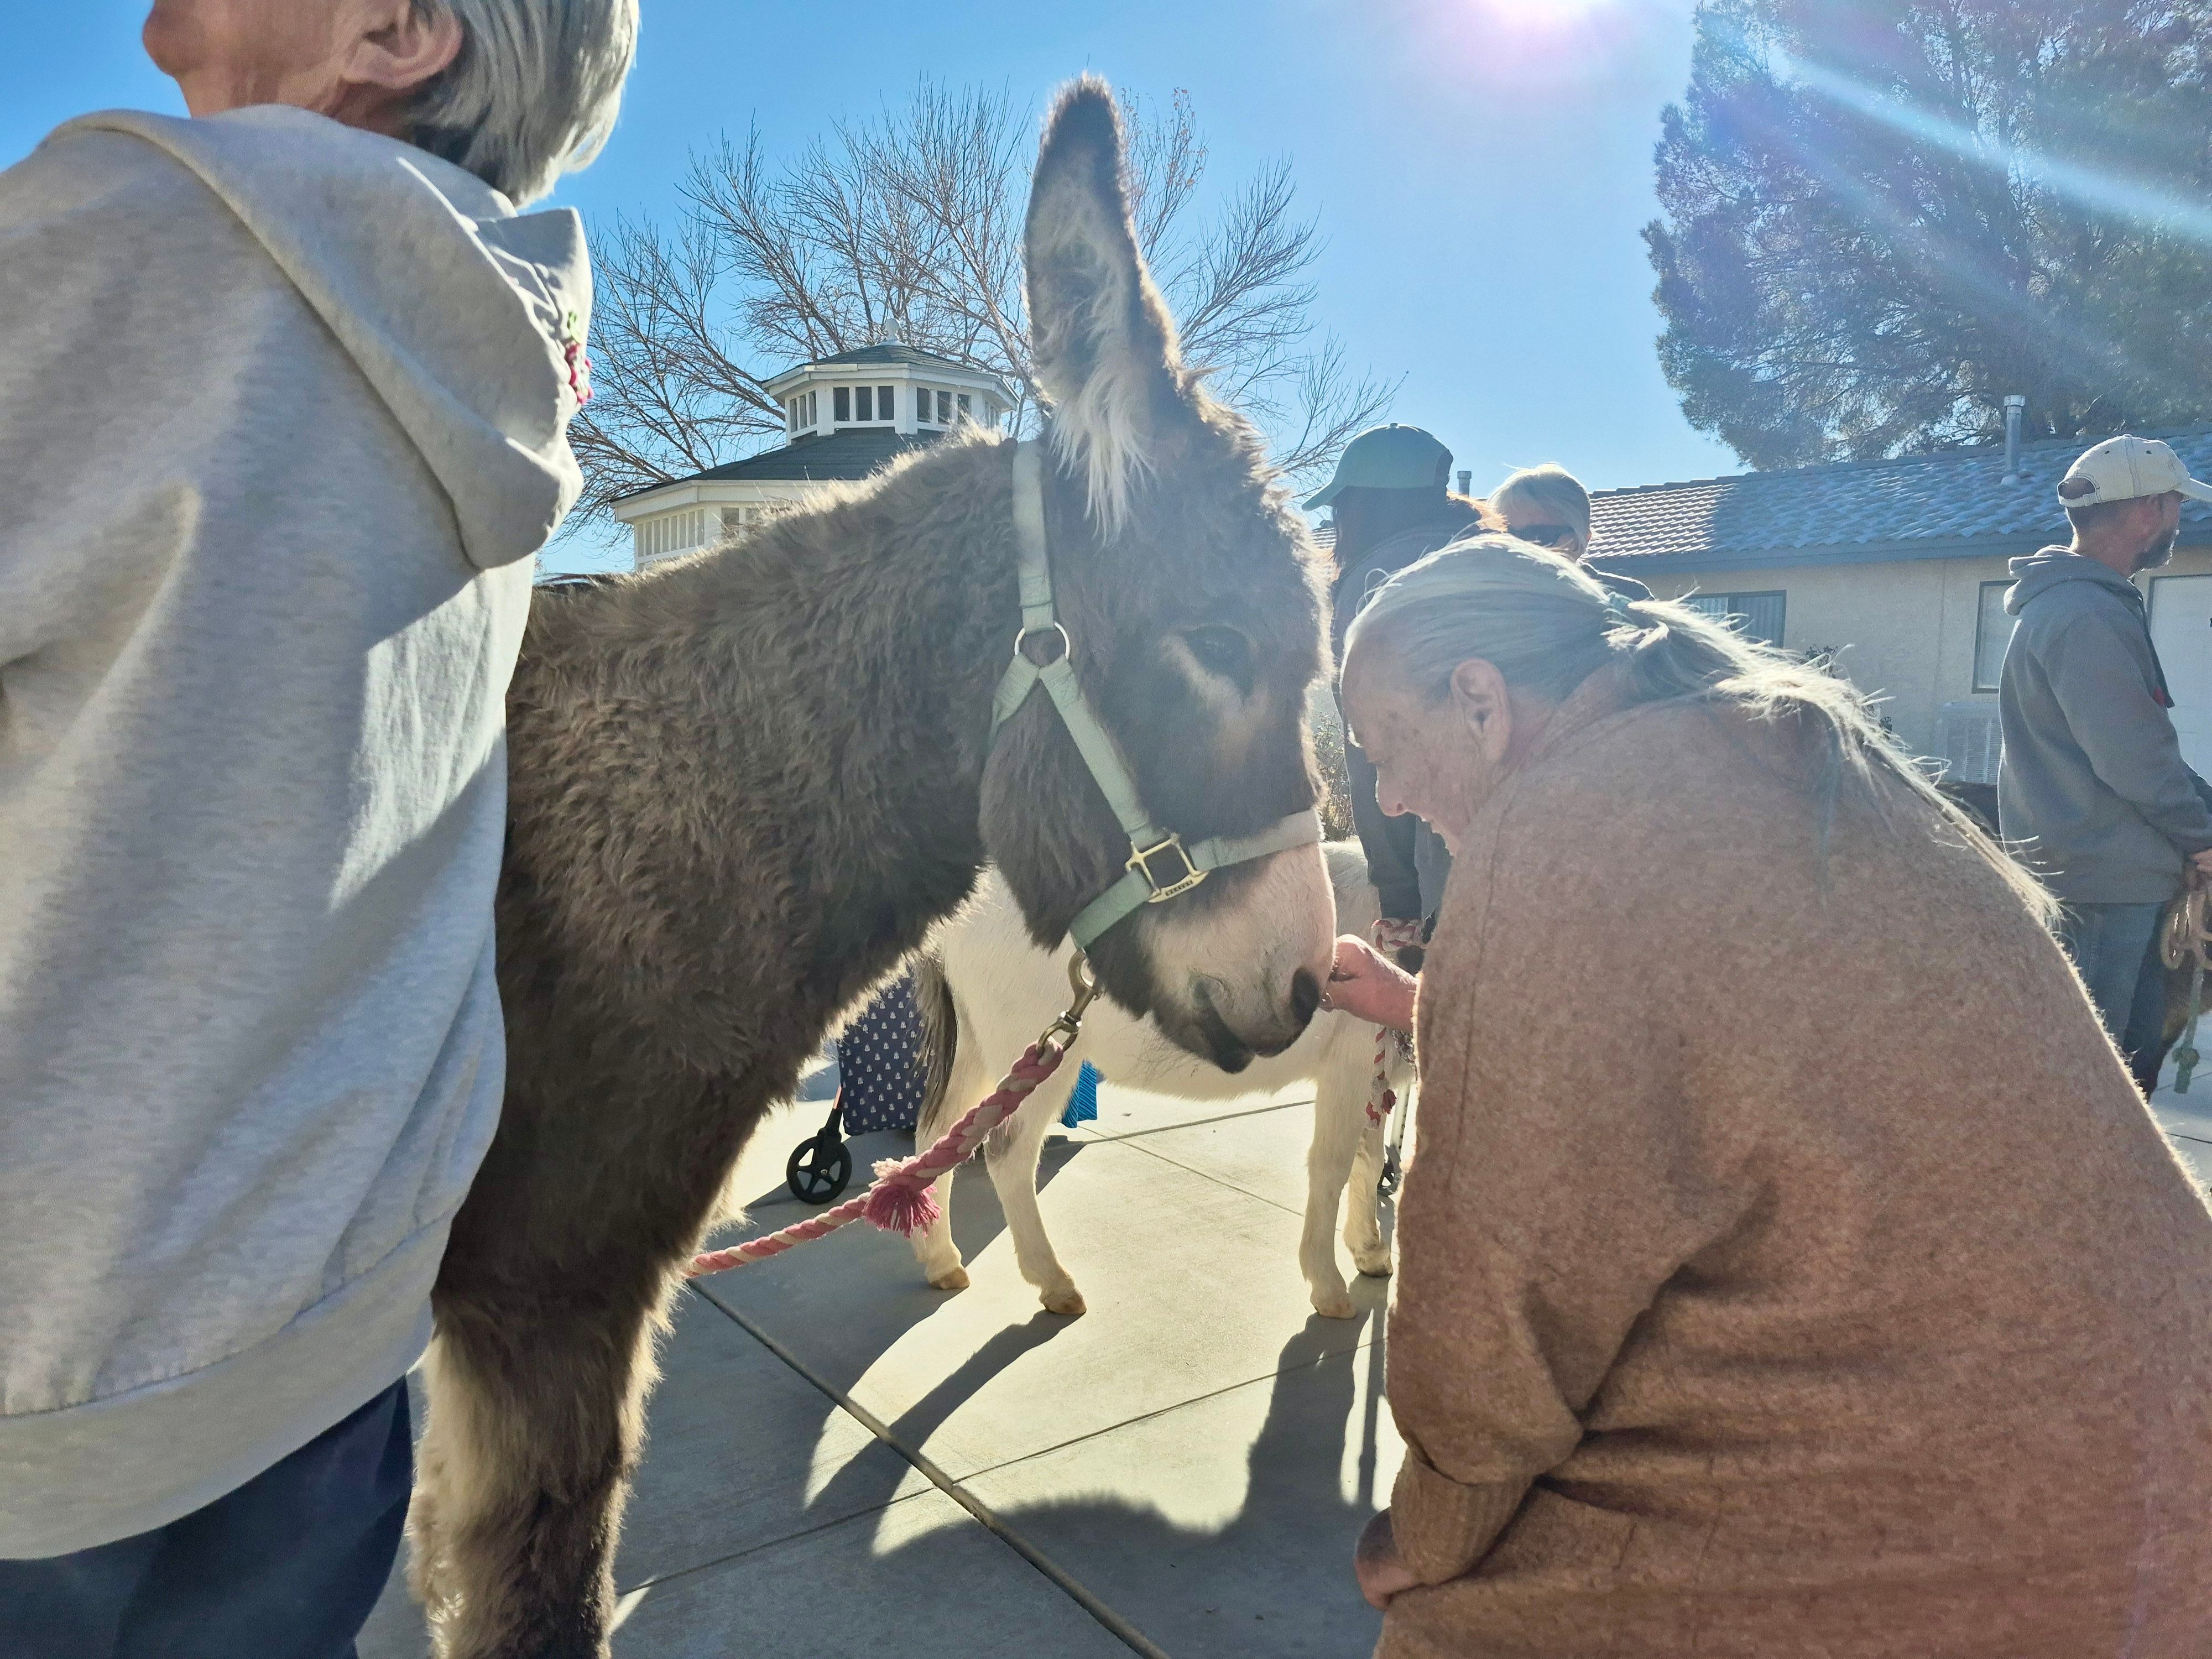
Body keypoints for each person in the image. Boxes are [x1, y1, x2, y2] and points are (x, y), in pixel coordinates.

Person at [0, 3, 637, 1653]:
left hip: (47, 1361)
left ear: (397, 32)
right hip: (326, 1352)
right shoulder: (502, 381)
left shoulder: (131, 237)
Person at [1324, 535, 2212, 1656]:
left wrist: (1430, 1532)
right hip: (2150, 1467)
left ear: (1478, 700)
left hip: (1987, 1539)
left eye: (1384, 750)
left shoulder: (1553, 832)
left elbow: (1495, 1326)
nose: (1390, 798)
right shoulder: (1811, 761)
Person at [1998, 435, 2212, 1093]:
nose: (2180, 521)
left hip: (2096, 872)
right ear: (2148, 508)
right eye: (2175, 505)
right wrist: (2203, 839)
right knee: (2094, 1087)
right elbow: (2135, 759)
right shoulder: (2087, 613)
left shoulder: (2076, 603)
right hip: (2102, 885)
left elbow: (2135, 744)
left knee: (2116, 1074)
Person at [1308, 424, 1484, 959]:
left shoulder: (1374, 584)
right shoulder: (1494, 558)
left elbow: (1373, 753)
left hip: (1451, 869)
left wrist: (1398, 898)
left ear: (1360, 507)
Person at [1486, 461, 1651, 599]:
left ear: (1580, 542)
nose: (1519, 547)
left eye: (1538, 537)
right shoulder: (1482, 602)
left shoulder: (1629, 600)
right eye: (1506, 535)